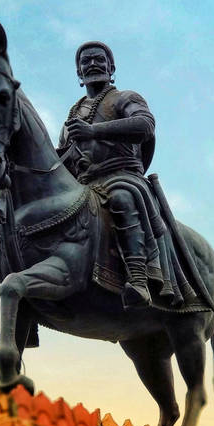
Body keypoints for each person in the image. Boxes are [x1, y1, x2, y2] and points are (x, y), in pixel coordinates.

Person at [58, 41, 157, 309]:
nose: (92, 64)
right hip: (84, 186)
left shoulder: (125, 98)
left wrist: (93, 132)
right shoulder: (72, 116)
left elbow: (145, 125)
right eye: (85, 61)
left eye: (98, 59)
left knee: (121, 198)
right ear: (79, 73)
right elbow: (64, 161)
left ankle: (139, 278)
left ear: (111, 68)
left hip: (120, 176)